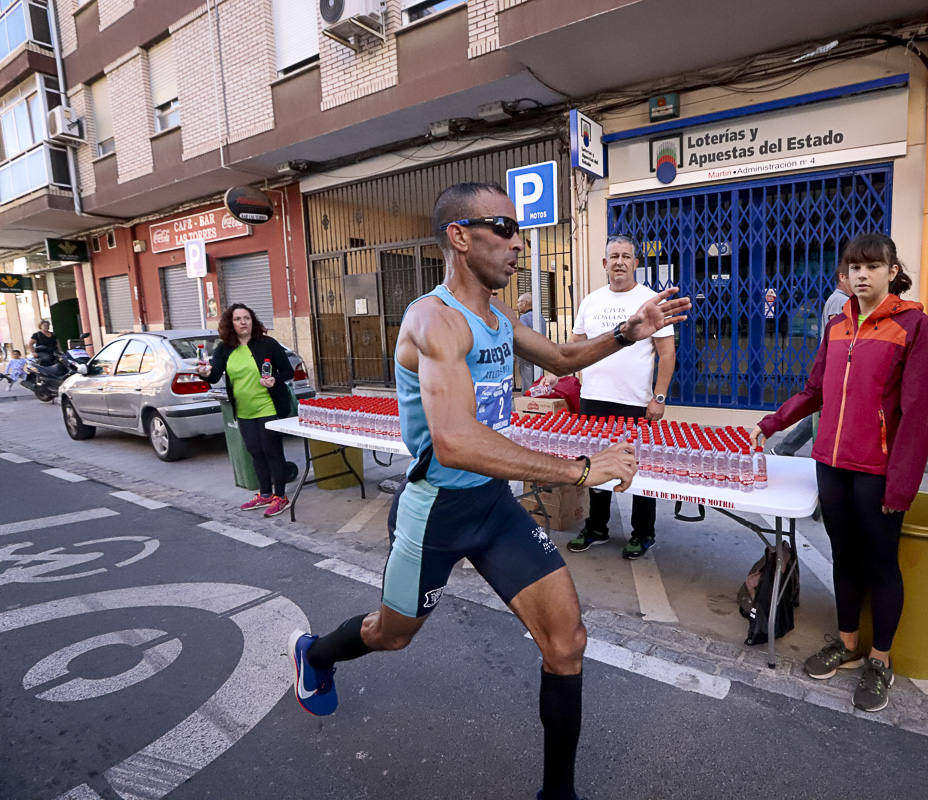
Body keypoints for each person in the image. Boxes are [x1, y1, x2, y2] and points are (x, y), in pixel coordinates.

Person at [288, 182, 689, 800]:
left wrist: (630, 333)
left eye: (518, 231)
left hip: (492, 506)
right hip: (437, 509)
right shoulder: (433, 320)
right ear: (460, 236)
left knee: (566, 641)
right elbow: (454, 442)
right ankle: (316, 654)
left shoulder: (500, 317)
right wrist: (581, 469)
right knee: (392, 634)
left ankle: (558, 794)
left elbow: (559, 358)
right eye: (502, 228)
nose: (517, 244)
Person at [752, 232, 928, 713]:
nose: (862, 274)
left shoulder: (914, 327)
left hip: (877, 470)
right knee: (844, 558)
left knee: (880, 564)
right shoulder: (836, 325)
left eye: (872, 266)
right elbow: (814, 391)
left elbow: (917, 415)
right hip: (831, 465)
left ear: (892, 271)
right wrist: (770, 425)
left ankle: (880, 659)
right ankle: (847, 642)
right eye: (854, 267)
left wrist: (902, 484)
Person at [562, 235, 676, 559]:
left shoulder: (651, 301)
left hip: (635, 402)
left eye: (626, 256)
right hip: (594, 399)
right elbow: (576, 347)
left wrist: (659, 397)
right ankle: (597, 527)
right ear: (604, 264)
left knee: (638, 467)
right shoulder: (590, 301)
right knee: (594, 465)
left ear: (636, 263)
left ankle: (643, 533)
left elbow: (667, 354)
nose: (620, 262)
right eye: (614, 256)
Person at [197, 304, 296, 518]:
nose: (243, 322)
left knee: (272, 451)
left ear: (253, 321)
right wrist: (204, 373)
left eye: (247, 318)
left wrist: (274, 380)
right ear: (230, 324)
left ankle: (281, 496)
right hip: (243, 410)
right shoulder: (224, 349)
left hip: (267, 405)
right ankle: (265, 493)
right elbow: (214, 376)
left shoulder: (267, 344)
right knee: (255, 451)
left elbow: (288, 371)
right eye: (238, 319)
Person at [772, 265, 853, 457]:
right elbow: (840, 335)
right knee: (820, 409)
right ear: (842, 277)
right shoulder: (839, 300)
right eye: (854, 273)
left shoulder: (842, 300)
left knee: (820, 409)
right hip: (835, 364)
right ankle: (791, 449)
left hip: (834, 363)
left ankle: (787, 448)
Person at [516, 291, 539, 390]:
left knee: (527, 382)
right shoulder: (540, 317)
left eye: (518, 302)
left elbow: (522, 337)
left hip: (527, 355)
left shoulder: (524, 318)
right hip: (540, 353)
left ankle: (527, 401)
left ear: (524, 303)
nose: (517, 305)